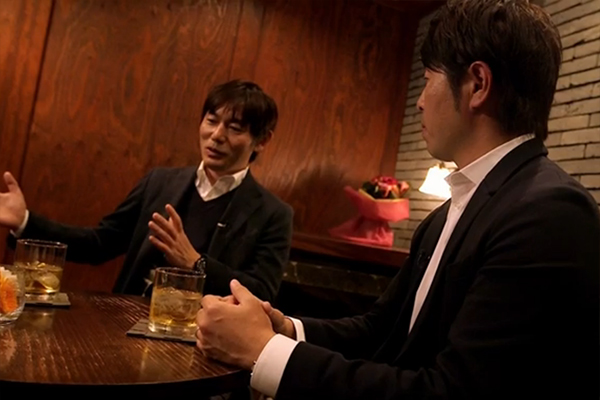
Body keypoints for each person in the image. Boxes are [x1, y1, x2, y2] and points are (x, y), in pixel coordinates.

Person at [194, 1, 600, 399]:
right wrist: (284, 329)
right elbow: (380, 329)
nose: (420, 101)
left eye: (428, 79)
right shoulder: (450, 212)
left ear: (477, 84)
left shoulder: (548, 212)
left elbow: (455, 392)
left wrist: (263, 352)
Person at [0, 80, 293, 301]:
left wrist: (196, 263)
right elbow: (100, 243)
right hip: (124, 322)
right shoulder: (160, 182)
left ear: (262, 140)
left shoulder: (272, 214)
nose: (216, 135)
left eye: (235, 128)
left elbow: (261, 293)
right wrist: (25, 221)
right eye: (212, 121)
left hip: (202, 342)